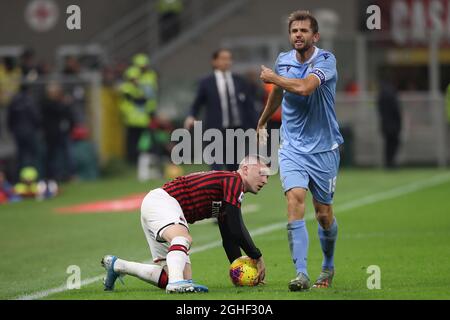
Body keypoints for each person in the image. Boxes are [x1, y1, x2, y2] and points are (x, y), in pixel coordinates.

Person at [256, 10, 343, 291]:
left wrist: (273, 77)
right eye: (294, 31)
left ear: (314, 36)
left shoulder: (327, 61)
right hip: (292, 146)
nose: (298, 35)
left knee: (323, 214)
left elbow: (305, 88)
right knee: (294, 199)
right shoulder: (283, 60)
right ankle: (301, 273)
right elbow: (279, 93)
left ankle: (327, 265)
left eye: (304, 31)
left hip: (324, 148)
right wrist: (264, 119)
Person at [101, 154, 268, 293]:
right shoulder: (233, 180)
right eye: (261, 173)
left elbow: (229, 235)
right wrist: (257, 256)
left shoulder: (229, 191)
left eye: (267, 176)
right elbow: (236, 226)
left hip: (159, 207)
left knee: (178, 275)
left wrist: (239, 269)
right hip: (163, 202)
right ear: (245, 169)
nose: (265, 180)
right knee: (182, 238)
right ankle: (176, 284)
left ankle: (117, 265)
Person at [184, 49, 258, 171]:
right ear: (214, 61)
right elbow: (197, 103)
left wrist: (256, 125)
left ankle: (233, 190)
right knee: (216, 167)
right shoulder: (206, 82)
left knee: (234, 169)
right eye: (223, 58)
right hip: (214, 131)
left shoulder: (239, 81)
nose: (227, 62)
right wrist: (191, 116)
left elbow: (249, 105)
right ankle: (216, 189)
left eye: (229, 58)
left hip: (236, 131)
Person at [377, 79, 402, 169]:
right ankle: (391, 162)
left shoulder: (381, 95)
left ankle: (388, 162)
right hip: (393, 124)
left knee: (388, 144)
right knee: (393, 143)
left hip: (385, 123)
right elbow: (396, 110)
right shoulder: (392, 95)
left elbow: (379, 109)